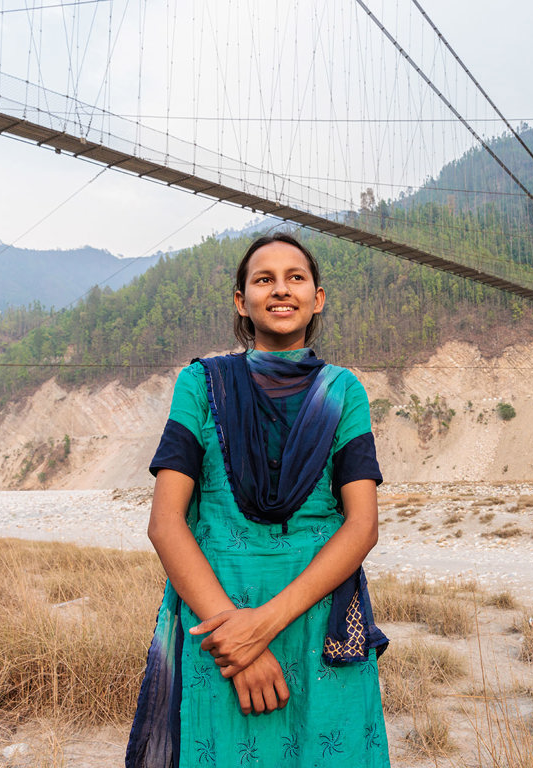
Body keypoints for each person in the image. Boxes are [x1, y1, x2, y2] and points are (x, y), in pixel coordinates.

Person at [126, 233, 390, 768]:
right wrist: (235, 637)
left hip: (315, 622)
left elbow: (361, 526)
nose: (280, 290)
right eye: (263, 279)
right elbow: (165, 523)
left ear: (318, 298)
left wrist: (261, 625)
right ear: (240, 301)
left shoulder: (345, 392)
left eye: (295, 277)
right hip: (215, 624)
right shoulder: (199, 384)